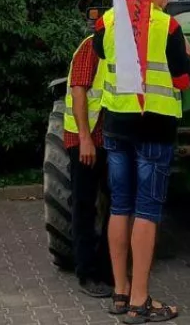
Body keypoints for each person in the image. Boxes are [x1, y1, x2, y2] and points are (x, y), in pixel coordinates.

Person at [94, 0, 190, 324]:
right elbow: (182, 79)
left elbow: (101, 58)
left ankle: (120, 293)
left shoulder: (107, 20)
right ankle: (140, 301)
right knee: (147, 210)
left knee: (120, 206)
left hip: (117, 125)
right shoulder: (167, 27)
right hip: (155, 127)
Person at [63, 32, 112, 297]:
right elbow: (79, 89)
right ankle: (87, 272)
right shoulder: (92, 46)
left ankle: (107, 269)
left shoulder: (123, 46)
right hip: (86, 138)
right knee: (85, 204)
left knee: (117, 204)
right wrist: (85, 139)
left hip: (110, 139)